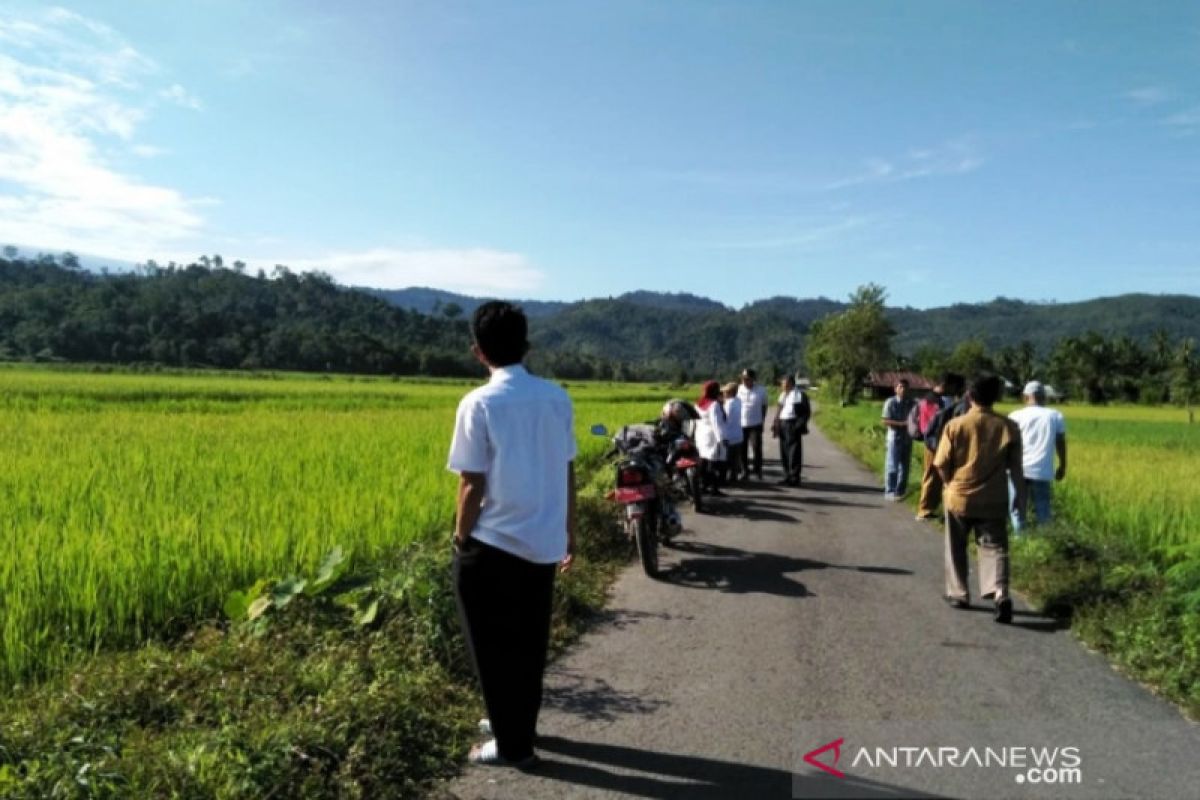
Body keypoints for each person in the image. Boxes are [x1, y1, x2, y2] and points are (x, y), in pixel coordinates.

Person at [447, 301, 576, 769]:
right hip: (542, 543)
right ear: (527, 346)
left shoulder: (479, 403)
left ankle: (513, 745)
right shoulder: (557, 397)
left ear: (478, 351)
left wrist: (461, 540)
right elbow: (566, 469)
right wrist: (569, 533)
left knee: (489, 643)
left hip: (493, 543)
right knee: (528, 641)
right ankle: (514, 722)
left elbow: (470, 483)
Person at [934, 374, 1025, 624]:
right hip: (994, 498)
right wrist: (1020, 498)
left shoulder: (956, 425)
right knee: (995, 548)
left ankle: (959, 593)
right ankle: (1000, 593)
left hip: (959, 497)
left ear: (969, 396)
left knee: (956, 546)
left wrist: (949, 483)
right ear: (996, 397)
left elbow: (940, 463)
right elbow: (1016, 469)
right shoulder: (1008, 427)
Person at [1008, 381, 1067, 531]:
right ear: (1043, 397)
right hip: (1042, 470)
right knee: (1043, 508)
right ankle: (1045, 539)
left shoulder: (1015, 416)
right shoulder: (1055, 416)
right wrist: (1062, 465)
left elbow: (1008, 443)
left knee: (1017, 507)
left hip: (1018, 469)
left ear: (1026, 397)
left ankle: (1020, 539)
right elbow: (1060, 442)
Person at [915, 373, 965, 520]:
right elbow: (933, 427)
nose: (956, 390)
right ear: (947, 385)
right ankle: (924, 509)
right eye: (955, 387)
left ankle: (931, 508)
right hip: (934, 444)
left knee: (936, 477)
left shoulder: (934, 399)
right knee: (931, 476)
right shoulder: (932, 402)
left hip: (935, 443)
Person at [772, 374, 810, 487]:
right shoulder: (783, 395)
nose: (782, 385)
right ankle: (787, 475)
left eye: (784, 383)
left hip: (792, 424)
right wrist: (776, 424)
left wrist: (797, 426)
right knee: (784, 452)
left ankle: (794, 477)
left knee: (794, 452)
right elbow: (779, 410)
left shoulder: (799, 395)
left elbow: (805, 413)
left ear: (790, 383)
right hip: (783, 424)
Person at [880, 379, 916, 500]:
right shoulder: (890, 402)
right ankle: (890, 491)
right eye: (900, 387)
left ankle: (900, 491)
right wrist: (902, 424)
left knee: (905, 467)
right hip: (894, 438)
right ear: (895, 389)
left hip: (907, 438)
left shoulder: (912, 403)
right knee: (892, 465)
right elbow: (885, 420)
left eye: (905, 387)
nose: (903, 389)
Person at [695, 380, 729, 496]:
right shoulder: (714, 405)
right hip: (712, 437)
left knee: (704, 462)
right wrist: (722, 439)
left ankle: (703, 485)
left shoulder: (699, 403)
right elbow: (716, 423)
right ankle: (714, 488)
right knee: (713, 464)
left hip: (701, 435)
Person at [736, 368, 769, 480]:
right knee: (742, 449)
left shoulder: (761, 390)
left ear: (753, 379)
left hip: (756, 424)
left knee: (756, 448)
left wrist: (762, 419)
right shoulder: (738, 389)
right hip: (741, 424)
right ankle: (744, 471)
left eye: (748, 379)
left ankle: (758, 470)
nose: (745, 381)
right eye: (743, 379)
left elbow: (764, 406)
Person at [721, 382, 744, 485]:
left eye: (725, 392)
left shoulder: (728, 404)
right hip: (738, 434)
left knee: (727, 458)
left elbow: (724, 418)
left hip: (729, 434)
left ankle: (726, 478)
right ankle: (734, 477)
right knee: (735, 458)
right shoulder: (738, 401)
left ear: (729, 393)